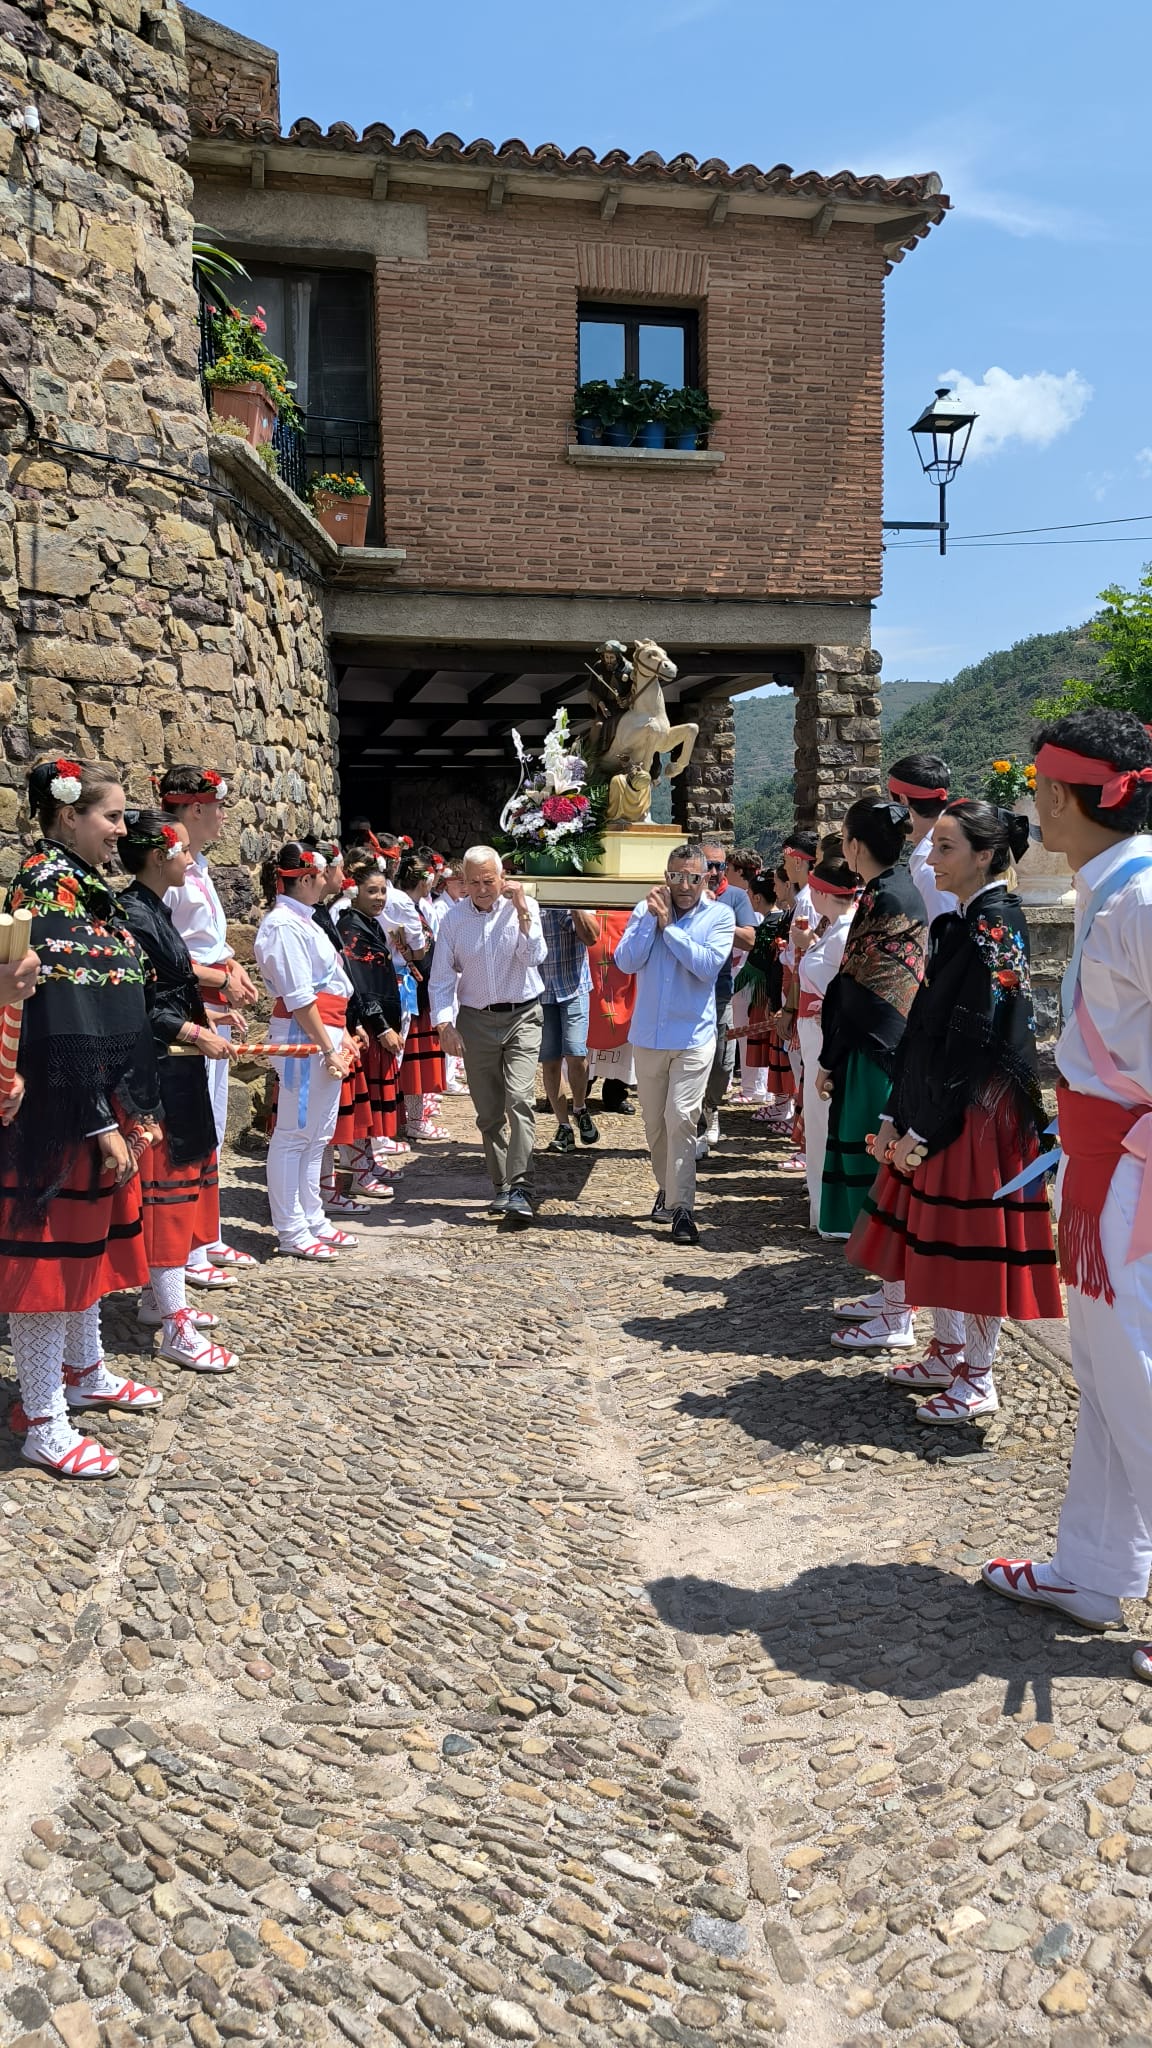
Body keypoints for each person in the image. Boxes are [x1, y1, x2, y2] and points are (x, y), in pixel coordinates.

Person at [976, 713, 1152, 1673]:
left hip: (1134, 1168)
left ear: (1064, 793)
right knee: (1107, 1373)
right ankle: (1095, 1565)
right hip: (1105, 1164)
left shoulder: (1142, 900)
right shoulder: (1113, 890)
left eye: (1043, 784)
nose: (1034, 800)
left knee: (1138, 1373)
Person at [847, 800, 1060, 1411]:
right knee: (934, 1231)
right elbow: (928, 1027)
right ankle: (948, 1348)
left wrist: (929, 1125)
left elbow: (984, 1037)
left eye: (945, 848)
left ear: (985, 856)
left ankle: (980, 1374)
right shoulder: (961, 920)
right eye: (932, 844)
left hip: (977, 1108)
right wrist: (898, 1112)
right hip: (946, 1101)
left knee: (969, 1240)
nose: (930, 857)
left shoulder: (998, 922)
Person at [2, 759, 163, 1479]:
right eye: (112, 817)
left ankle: (85, 1371)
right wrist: (99, 1118)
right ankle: (41, 1417)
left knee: (85, 1252)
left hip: (92, 1098)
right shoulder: (45, 884)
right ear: (67, 814)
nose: (123, 831)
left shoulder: (87, 890)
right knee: (49, 1261)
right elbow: (62, 1015)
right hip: (60, 1109)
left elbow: (109, 1001)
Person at [118, 811, 240, 1374]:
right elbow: (144, 1003)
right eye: (184, 852)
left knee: (184, 1175)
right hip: (160, 1070)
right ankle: (175, 1322)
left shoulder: (154, 911)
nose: (191, 861)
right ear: (160, 855)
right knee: (167, 1189)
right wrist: (196, 1031)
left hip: (177, 1066)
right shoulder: (134, 914)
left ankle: (155, 1298)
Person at [816, 797, 926, 1342]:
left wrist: (829, 1058)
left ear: (855, 846)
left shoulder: (883, 896)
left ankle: (898, 1309)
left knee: (880, 1177)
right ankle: (890, 1295)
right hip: (894, 1045)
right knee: (883, 1173)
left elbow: (851, 987)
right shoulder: (905, 890)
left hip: (875, 1049)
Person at [159, 765, 257, 1287]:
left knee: (215, 1120)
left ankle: (208, 1233)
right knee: (195, 1124)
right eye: (217, 807)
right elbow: (167, 955)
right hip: (186, 1007)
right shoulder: (169, 873)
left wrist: (233, 968)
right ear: (194, 809)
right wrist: (219, 976)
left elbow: (208, 941)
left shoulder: (197, 868)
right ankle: (188, 1250)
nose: (222, 817)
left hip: (211, 999)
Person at [615, 843, 735, 1247]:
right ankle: (667, 1188)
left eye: (692, 877)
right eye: (676, 876)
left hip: (692, 1037)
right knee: (655, 1125)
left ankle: (683, 1207)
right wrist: (652, 922)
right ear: (665, 876)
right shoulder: (644, 910)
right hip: (648, 1036)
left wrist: (670, 928)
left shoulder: (720, 915)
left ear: (706, 879)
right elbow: (626, 962)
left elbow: (705, 967)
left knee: (682, 1117)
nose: (683, 885)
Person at [428, 847, 547, 1228]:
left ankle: (522, 1186)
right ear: (463, 882)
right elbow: (443, 978)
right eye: (473, 882)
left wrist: (524, 912)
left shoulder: (522, 907)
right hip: (476, 1020)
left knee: (520, 1100)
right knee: (489, 1114)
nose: (481, 889)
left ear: (502, 877)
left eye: (488, 881)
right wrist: (444, 1025)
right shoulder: (453, 920)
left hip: (523, 1015)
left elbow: (535, 957)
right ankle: (502, 1186)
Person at [253, 844, 358, 1261]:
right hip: (303, 1033)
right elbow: (299, 995)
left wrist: (342, 1034)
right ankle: (291, 1227)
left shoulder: (305, 921)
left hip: (323, 1029)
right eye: (320, 875)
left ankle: (312, 1216)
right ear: (307, 878)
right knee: (294, 1134)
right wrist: (327, 1044)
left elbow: (330, 985)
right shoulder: (283, 924)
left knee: (317, 1134)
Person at [795, 853, 859, 1233]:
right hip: (814, 1033)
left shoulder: (845, 933)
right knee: (818, 1122)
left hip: (825, 1035)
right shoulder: (834, 930)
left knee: (824, 1122)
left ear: (820, 892)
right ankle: (822, 1206)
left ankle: (830, 1213)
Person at [337, 856, 406, 1193]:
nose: (379, 897)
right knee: (363, 1103)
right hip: (368, 1026)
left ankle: (366, 1162)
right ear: (355, 892)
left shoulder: (371, 923)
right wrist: (380, 1027)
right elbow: (361, 983)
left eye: (383, 891)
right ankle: (358, 1169)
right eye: (372, 891)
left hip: (379, 1020)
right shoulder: (351, 928)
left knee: (372, 1102)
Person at [697, 837, 756, 1156]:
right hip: (688, 990)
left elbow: (749, 939)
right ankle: (693, 1120)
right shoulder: (684, 896)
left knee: (722, 1061)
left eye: (721, 865)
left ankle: (711, 1107)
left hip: (721, 991)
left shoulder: (735, 897)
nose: (717, 871)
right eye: (710, 865)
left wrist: (718, 922)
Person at [395, 850, 449, 1141]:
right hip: (413, 992)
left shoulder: (415, 906)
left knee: (417, 1059)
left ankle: (414, 1117)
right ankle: (414, 1121)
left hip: (421, 990)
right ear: (425, 879)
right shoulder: (406, 908)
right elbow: (417, 950)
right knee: (414, 1062)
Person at [540, 907, 600, 1152]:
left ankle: (579, 1108)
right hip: (541, 990)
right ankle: (563, 1126)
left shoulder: (576, 893)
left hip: (574, 986)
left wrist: (574, 906)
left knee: (576, 1055)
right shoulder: (532, 895)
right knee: (550, 1061)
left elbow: (592, 937)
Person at [888, 751, 958, 926]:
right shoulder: (954, 843)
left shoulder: (933, 868)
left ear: (903, 801)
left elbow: (940, 937)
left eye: (890, 802)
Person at [585, 908, 638, 1115]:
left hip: (623, 983)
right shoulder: (587, 906)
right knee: (584, 1034)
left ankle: (615, 1094)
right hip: (591, 982)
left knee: (626, 1035)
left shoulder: (635, 909)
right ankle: (582, 1089)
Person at [727, 849, 769, 1103]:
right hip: (745, 973)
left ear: (741, 873)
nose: (723, 874)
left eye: (729, 869)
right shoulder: (748, 899)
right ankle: (755, 1086)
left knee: (748, 1031)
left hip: (746, 974)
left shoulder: (746, 901)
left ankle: (754, 1088)